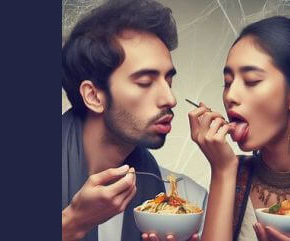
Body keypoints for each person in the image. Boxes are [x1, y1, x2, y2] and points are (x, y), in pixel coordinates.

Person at [61, 1, 207, 241]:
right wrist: (74, 222)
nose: (170, 98)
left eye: (168, 81)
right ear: (93, 96)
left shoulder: (185, 203)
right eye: (145, 82)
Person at [188, 16, 290, 241]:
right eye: (227, 82)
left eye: (252, 80)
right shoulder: (233, 178)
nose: (230, 96)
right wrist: (223, 171)